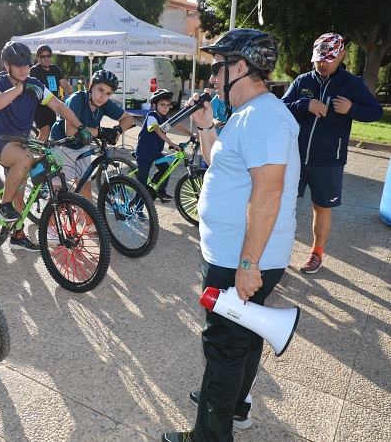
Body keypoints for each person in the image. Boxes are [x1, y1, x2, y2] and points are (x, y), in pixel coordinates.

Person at [161, 28, 300, 442]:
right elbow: (219, 165)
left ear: (240, 67)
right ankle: (234, 405)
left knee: (223, 345)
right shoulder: (247, 115)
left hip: (240, 257)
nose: (213, 79)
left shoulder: (263, 117)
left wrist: (247, 264)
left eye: (218, 68)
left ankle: (209, 436)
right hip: (234, 252)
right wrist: (205, 125)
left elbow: (269, 191)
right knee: (244, 333)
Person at [281, 33, 383, 274]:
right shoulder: (303, 81)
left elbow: (375, 112)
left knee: (321, 207)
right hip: (294, 157)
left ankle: (316, 253)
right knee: (284, 204)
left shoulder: (352, 84)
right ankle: (278, 249)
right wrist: (305, 104)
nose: (323, 63)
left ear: (342, 55)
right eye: (319, 59)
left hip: (328, 161)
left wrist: (352, 108)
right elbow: (282, 107)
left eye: (329, 58)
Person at [0, 41, 93, 252]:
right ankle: (3, 206)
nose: (24, 69)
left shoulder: (35, 84)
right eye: (18, 66)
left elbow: (59, 106)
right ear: (7, 67)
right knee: (26, 160)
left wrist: (80, 127)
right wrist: (20, 89)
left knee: (28, 182)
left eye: (26, 64)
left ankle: (17, 235)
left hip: (22, 141)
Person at [50, 70, 132, 202]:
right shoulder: (77, 99)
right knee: (58, 193)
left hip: (82, 144)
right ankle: (51, 222)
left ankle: (89, 222)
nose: (103, 96)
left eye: (108, 93)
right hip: (62, 144)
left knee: (85, 188)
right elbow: (70, 131)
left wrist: (117, 130)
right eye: (100, 90)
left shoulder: (105, 104)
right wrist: (101, 132)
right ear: (91, 86)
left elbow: (128, 118)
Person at [135, 89, 197, 203]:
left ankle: (161, 192)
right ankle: (137, 209)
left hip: (155, 152)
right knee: (141, 184)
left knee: (166, 169)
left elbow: (176, 125)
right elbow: (158, 130)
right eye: (162, 105)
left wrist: (191, 133)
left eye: (168, 105)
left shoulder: (164, 118)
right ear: (154, 105)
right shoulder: (151, 116)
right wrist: (171, 144)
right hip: (144, 153)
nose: (165, 108)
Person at [29, 45, 74, 141]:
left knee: (52, 131)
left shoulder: (54, 69)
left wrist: (75, 96)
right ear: (38, 58)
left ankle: (38, 146)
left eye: (48, 56)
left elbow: (65, 85)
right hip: (39, 106)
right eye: (43, 56)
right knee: (45, 130)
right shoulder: (34, 70)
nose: (46, 59)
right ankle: (42, 155)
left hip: (53, 106)